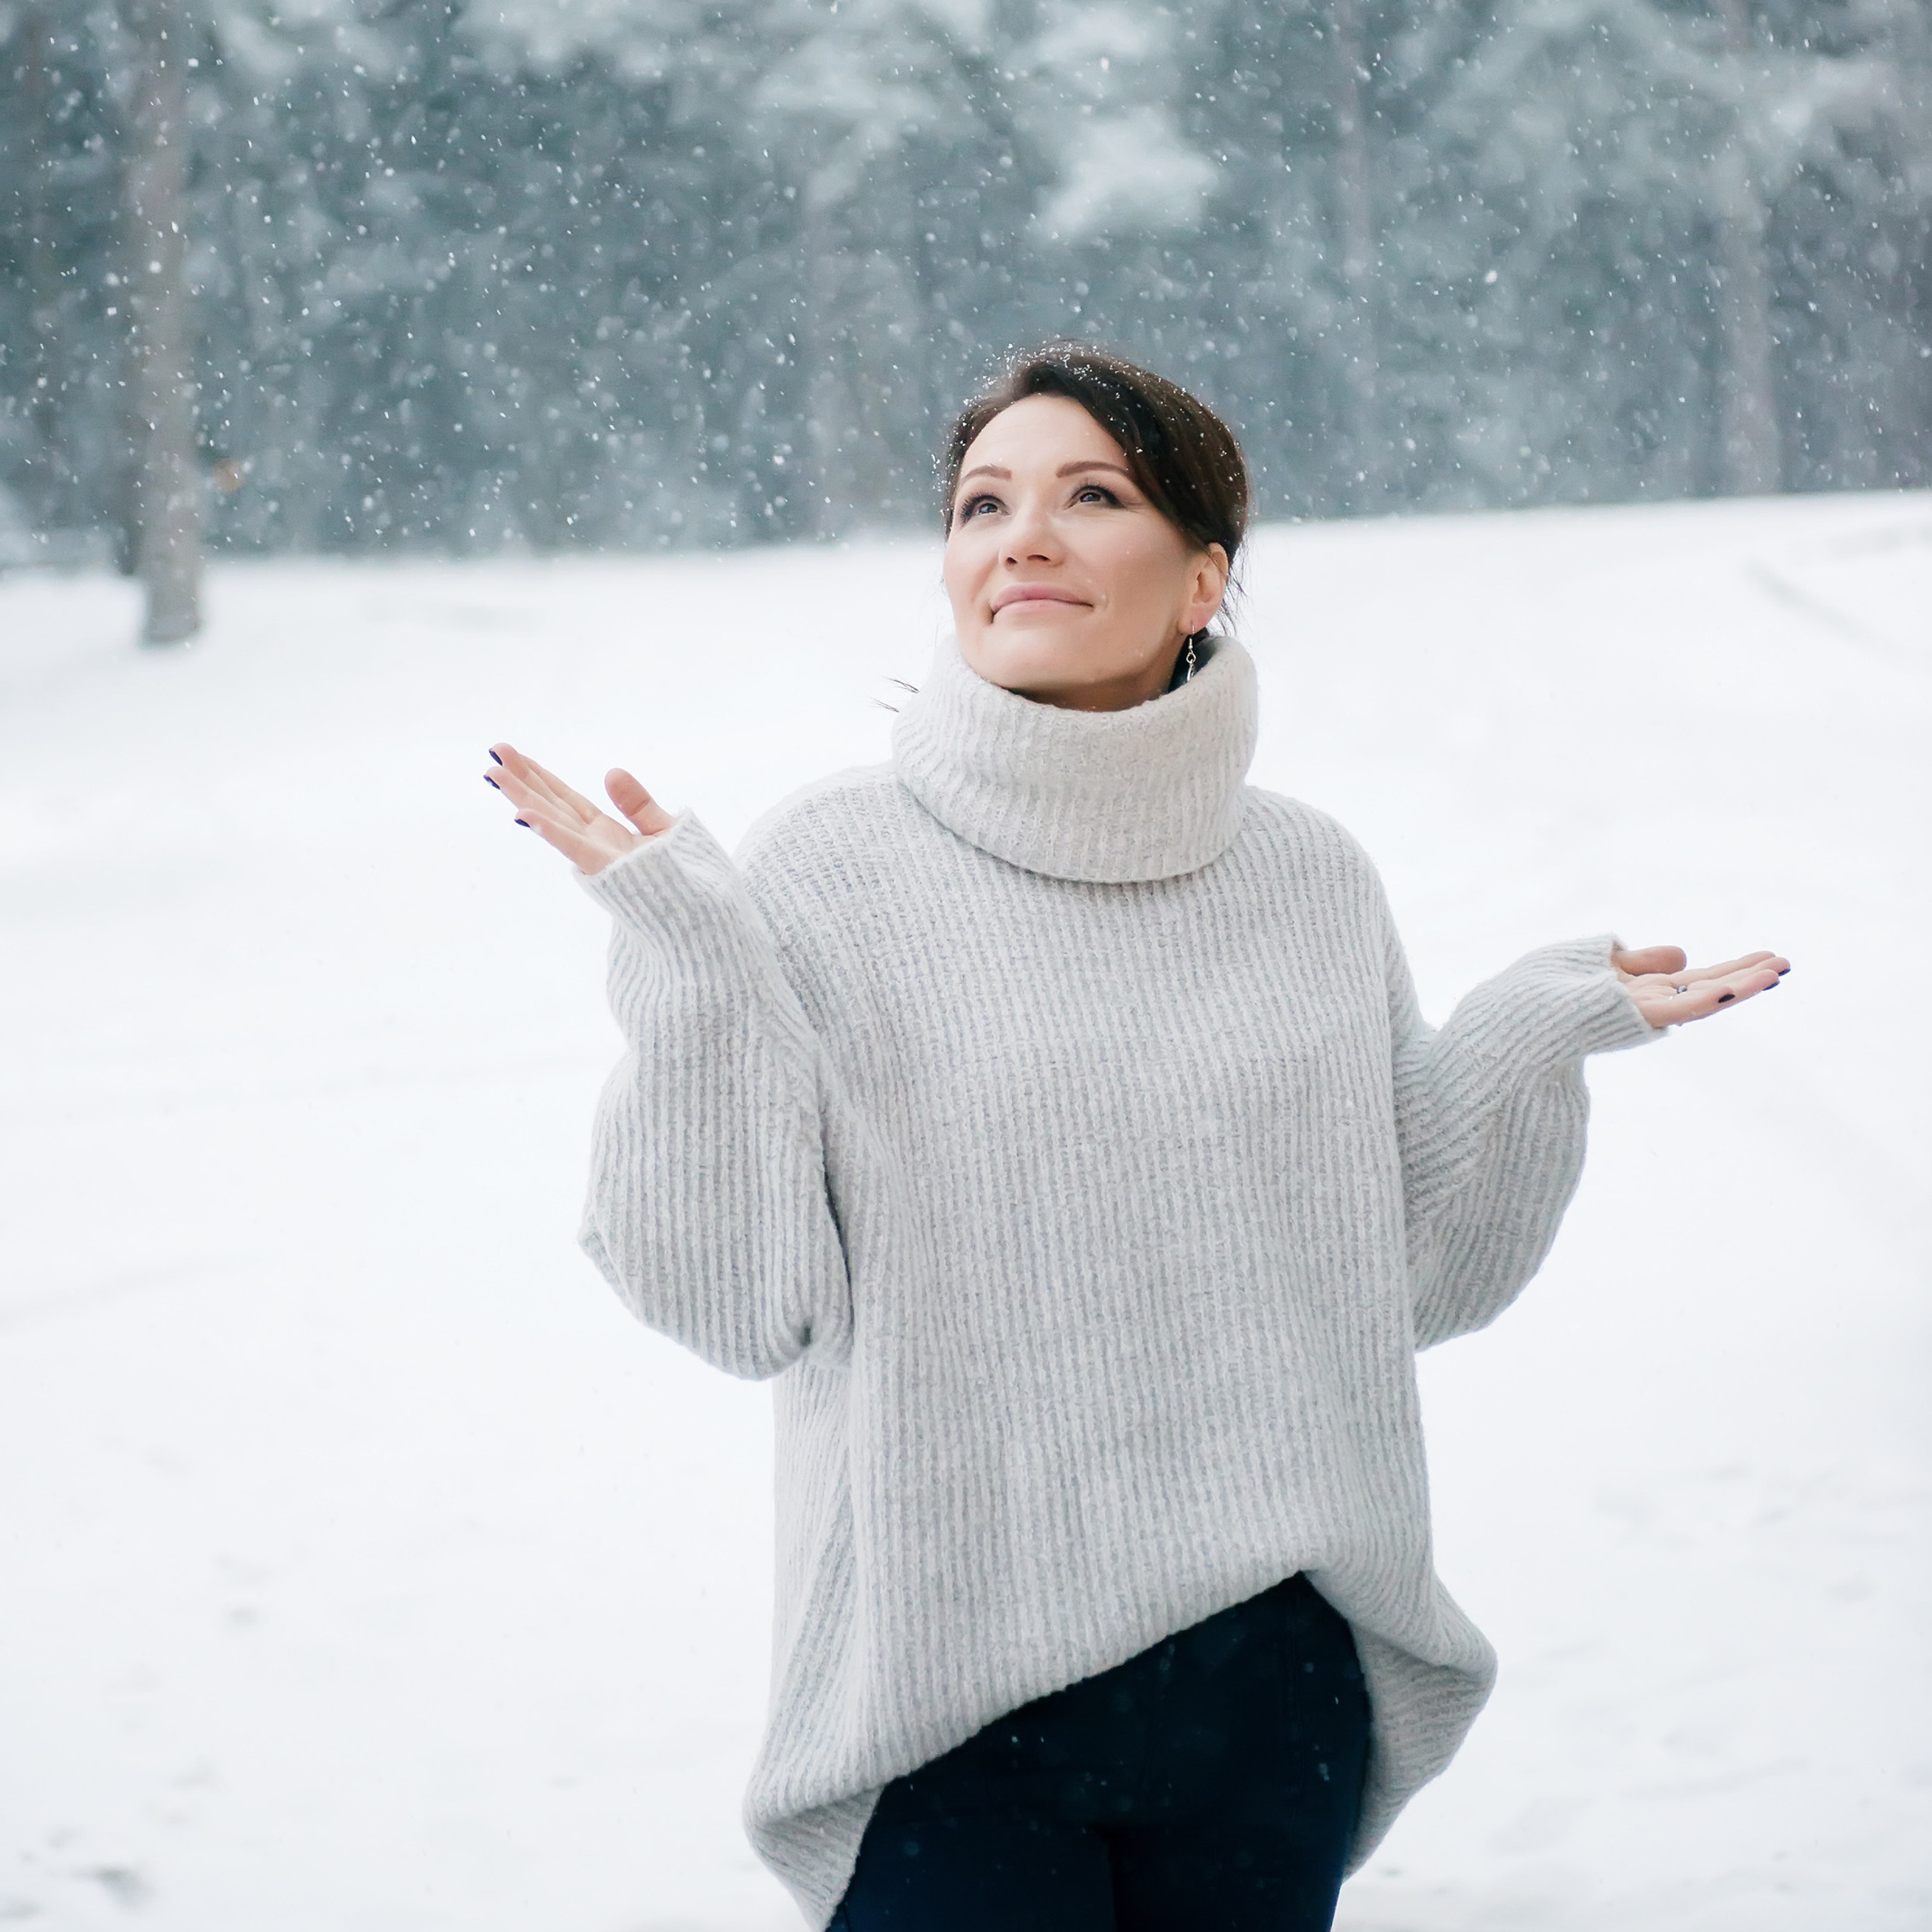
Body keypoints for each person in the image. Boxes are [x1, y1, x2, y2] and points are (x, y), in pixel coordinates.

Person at [483, 345, 1788, 1932]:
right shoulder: (827, 867)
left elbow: (1405, 1275)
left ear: (1202, 578)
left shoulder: (1308, 875)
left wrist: (1524, 1029)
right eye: (982, 502)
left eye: (1088, 495)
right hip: (946, 1703)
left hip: (1274, 1685)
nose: (1018, 535)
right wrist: (690, 959)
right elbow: (733, 1300)